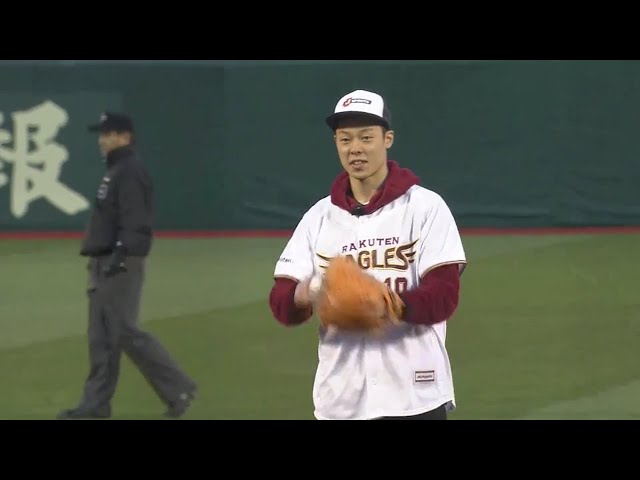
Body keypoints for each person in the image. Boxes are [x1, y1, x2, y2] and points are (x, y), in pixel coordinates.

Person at [268, 89, 467, 420]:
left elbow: (445, 295)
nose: (355, 148)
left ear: (387, 139)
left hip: (415, 394)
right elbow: (281, 303)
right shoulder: (318, 218)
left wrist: (387, 305)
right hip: (341, 398)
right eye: (345, 139)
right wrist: (314, 290)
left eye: (366, 137)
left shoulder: (425, 207)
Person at [57, 112, 197, 420]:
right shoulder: (117, 169)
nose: (102, 140)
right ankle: (95, 405)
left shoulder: (130, 170)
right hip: (103, 260)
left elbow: (136, 218)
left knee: (124, 330)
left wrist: (121, 253)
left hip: (119, 260)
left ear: (124, 136)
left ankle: (179, 388)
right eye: (102, 134)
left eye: (108, 134)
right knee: (101, 338)